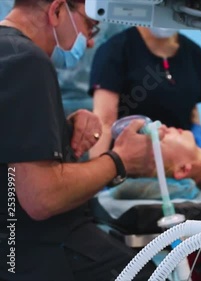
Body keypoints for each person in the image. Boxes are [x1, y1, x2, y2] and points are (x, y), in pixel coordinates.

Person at [0, 0, 161, 280]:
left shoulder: (8, 54)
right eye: (90, 26)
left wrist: (59, 130)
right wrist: (120, 161)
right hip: (31, 251)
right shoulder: (28, 61)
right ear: (57, 10)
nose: (88, 43)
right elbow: (41, 198)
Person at [88, 26, 201, 158]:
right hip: (129, 162)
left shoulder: (194, 53)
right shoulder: (115, 50)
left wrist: (197, 145)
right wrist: (97, 170)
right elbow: (105, 121)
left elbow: (192, 109)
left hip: (178, 161)